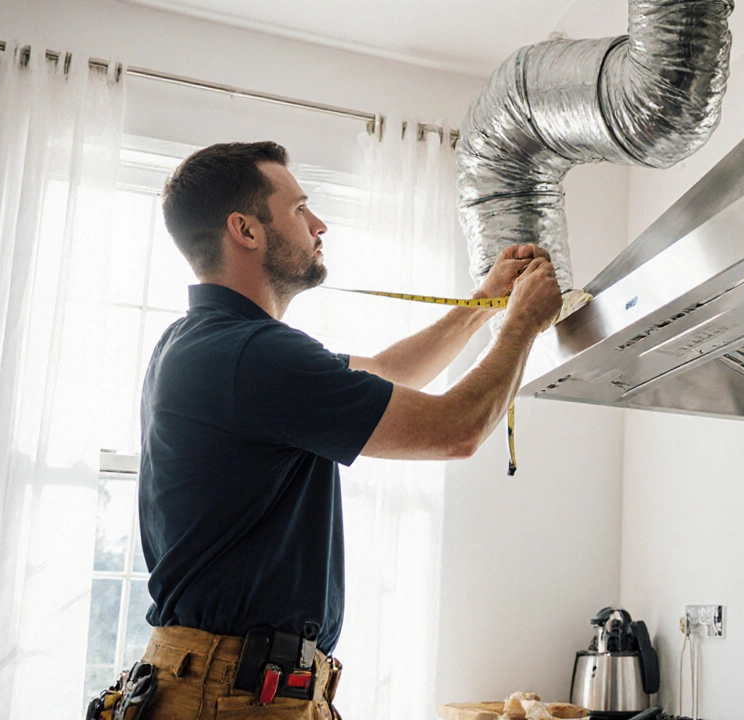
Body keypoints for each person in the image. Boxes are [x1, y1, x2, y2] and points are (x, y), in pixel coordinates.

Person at [128, 141, 561, 720]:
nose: (319, 224)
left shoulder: (211, 344)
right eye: (300, 209)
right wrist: (524, 325)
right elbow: (457, 430)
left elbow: (389, 372)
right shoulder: (251, 355)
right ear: (246, 230)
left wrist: (483, 305)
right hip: (231, 695)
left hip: (236, 686)